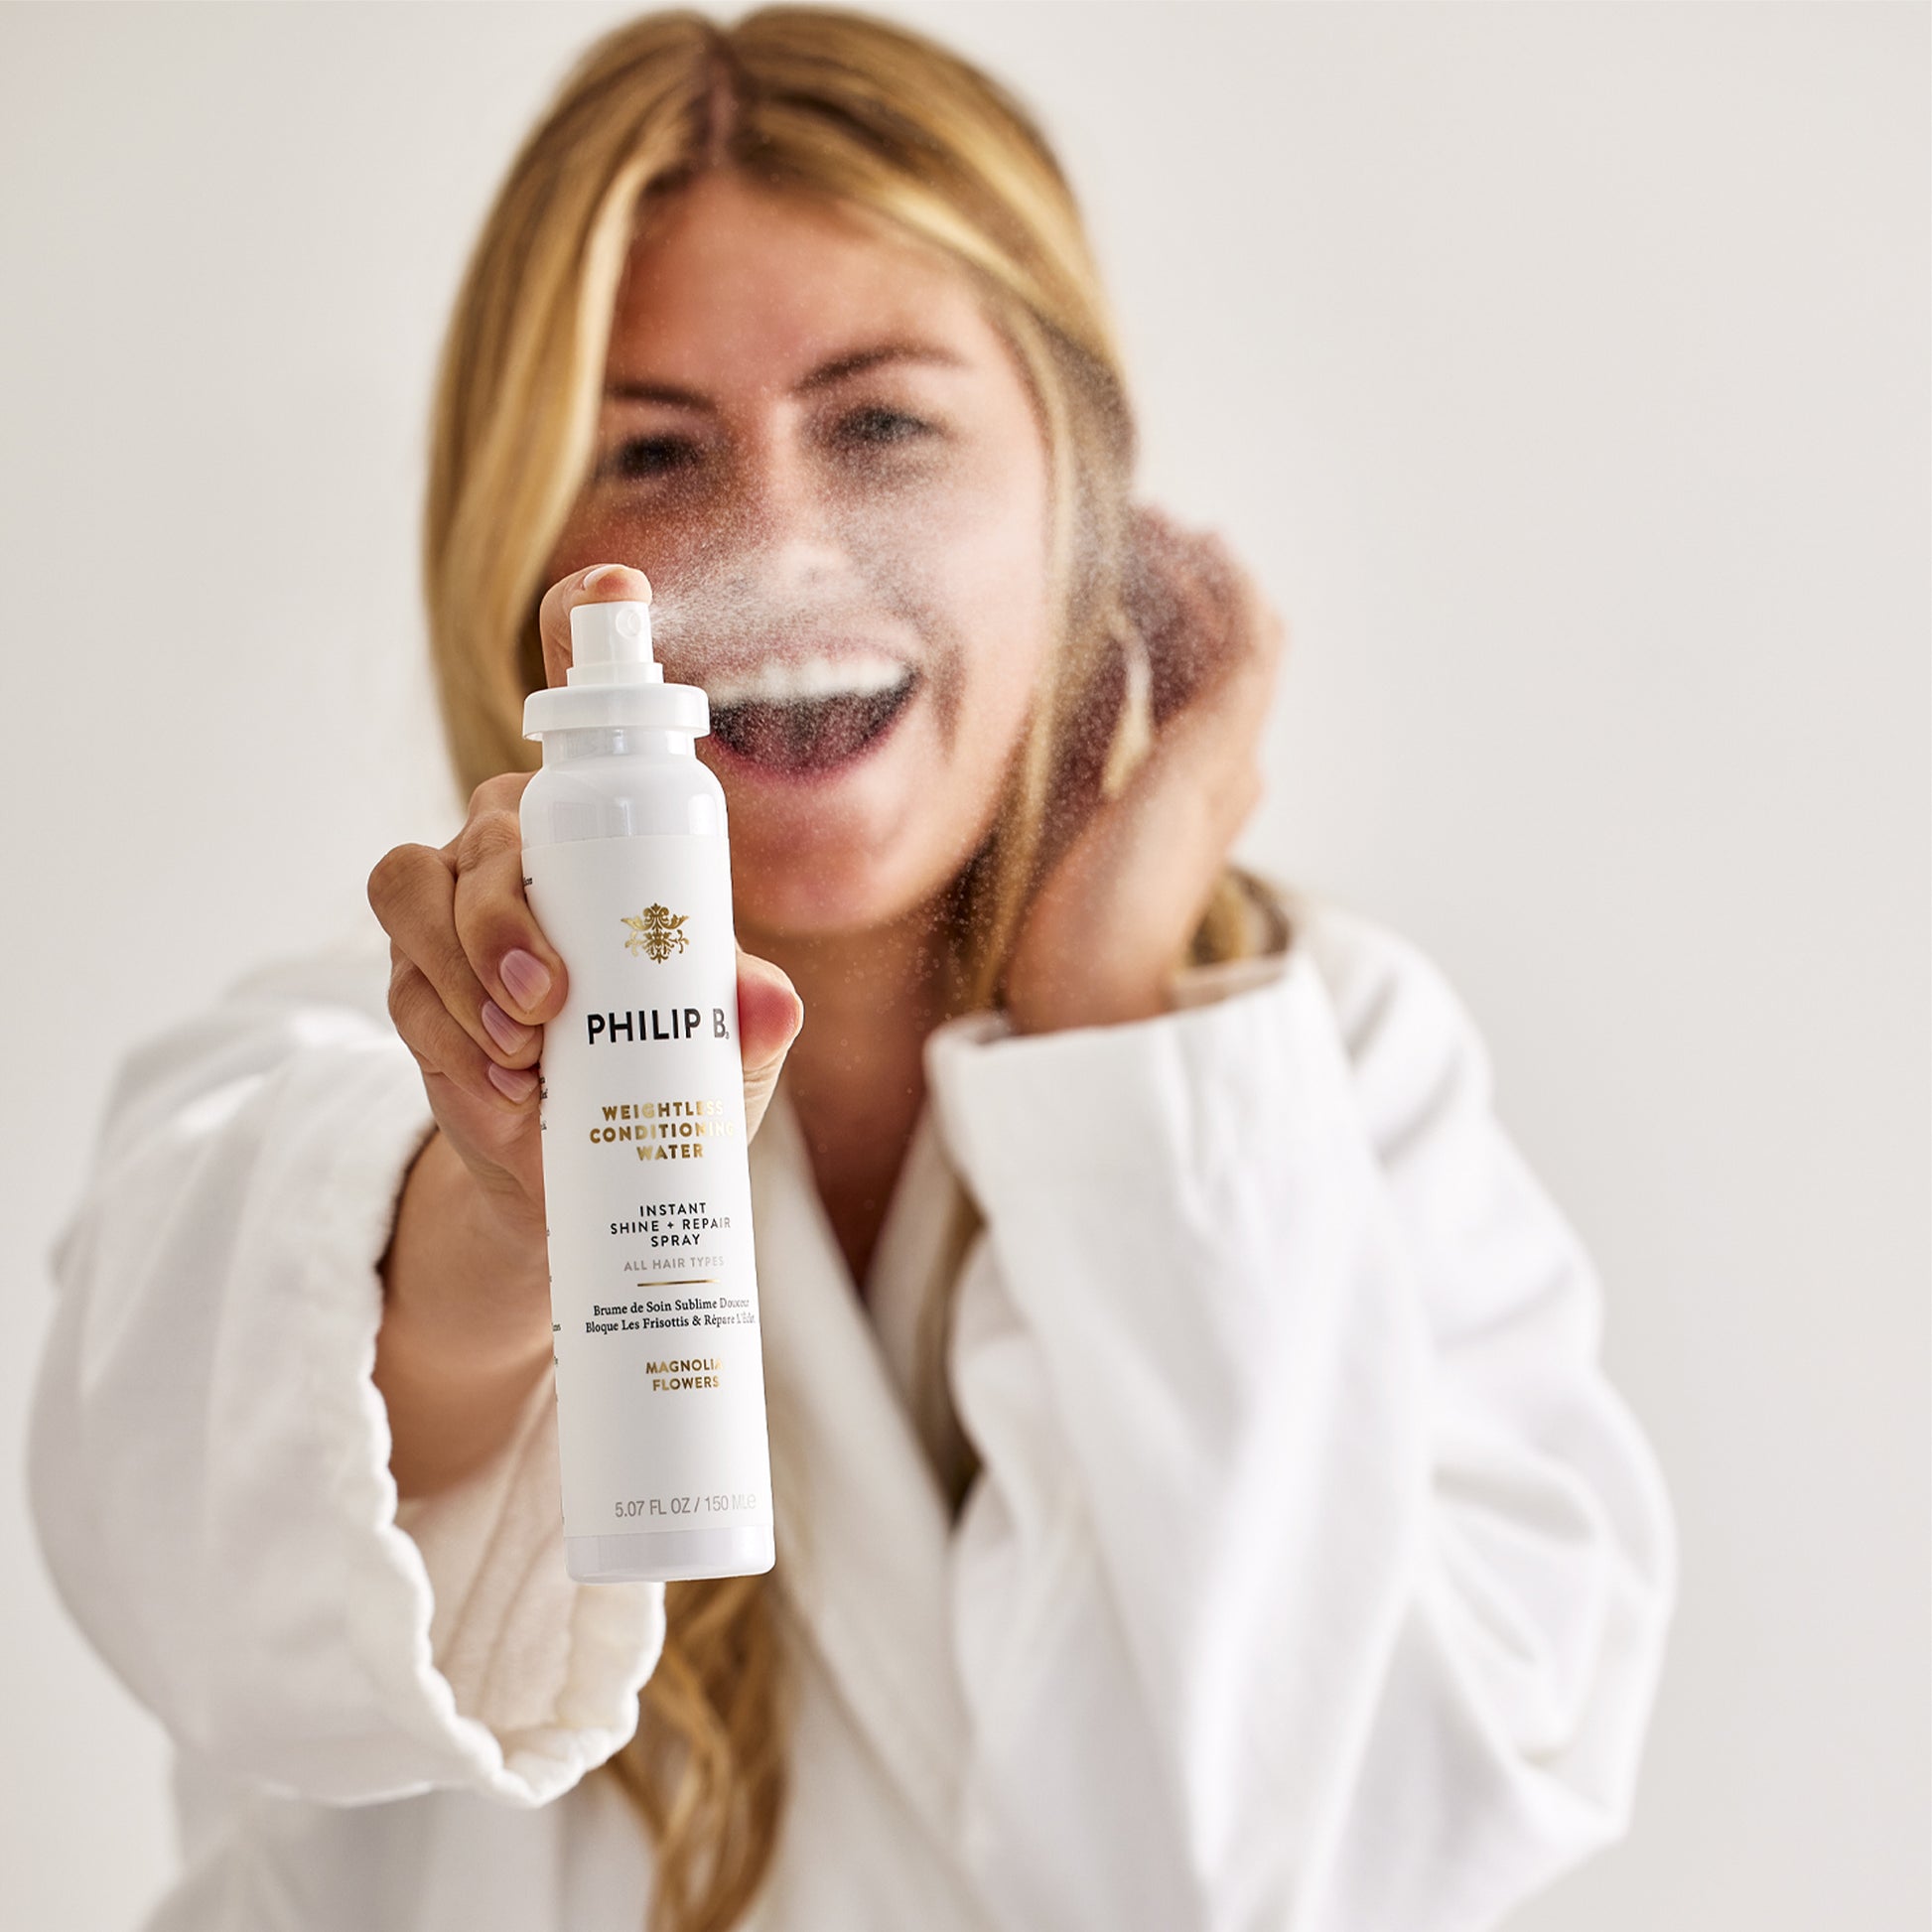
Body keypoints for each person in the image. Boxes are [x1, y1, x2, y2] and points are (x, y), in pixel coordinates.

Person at [27, 10, 1677, 1931]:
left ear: (1079, 486)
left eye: (881, 425)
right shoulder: (327, 1072)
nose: (782, 545)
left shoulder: (1333, 1071)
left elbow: (1335, 1849)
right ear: (523, 539)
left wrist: (1107, 1024)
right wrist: (500, 1209)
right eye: (651, 449)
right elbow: (196, 1519)